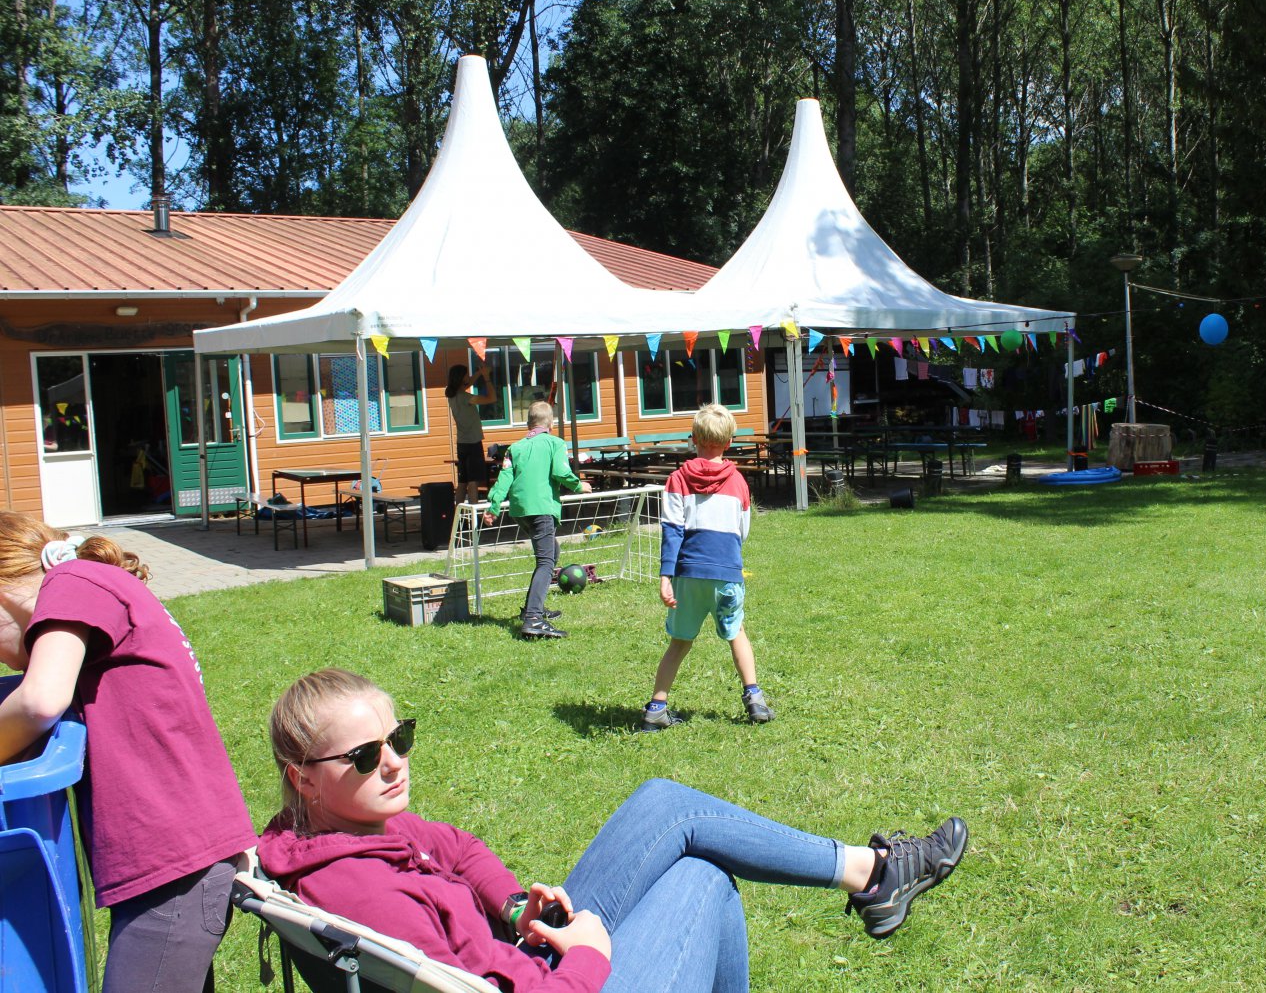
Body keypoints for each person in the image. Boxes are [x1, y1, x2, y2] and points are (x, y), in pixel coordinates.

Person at [260, 669, 968, 993]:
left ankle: (869, 875)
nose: (393, 763)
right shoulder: (363, 893)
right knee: (703, 881)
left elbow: (459, 848)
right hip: (550, 982)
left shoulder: (350, 829)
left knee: (668, 803)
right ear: (301, 776)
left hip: (522, 953)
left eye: (400, 738)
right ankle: (875, 877)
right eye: (363, 756)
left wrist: (511, 905)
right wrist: (588, 958)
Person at [0, 512, 255, 993]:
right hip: (174, 862)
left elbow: (38, 700)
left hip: (174, 867)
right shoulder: (90, 587)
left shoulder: (72, 580)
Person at [643, 403, 769, 730]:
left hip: (687, 574)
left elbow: (672, 530)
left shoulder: (677, 479)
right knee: (736, 633)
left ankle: (657, 707)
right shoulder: (739, 482)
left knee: (680, 642)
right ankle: (754, 699)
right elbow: (743, 531)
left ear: (694, 438)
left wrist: (665, 576)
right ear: (729, 442)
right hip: (726, 571)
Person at [484, 401, 587, 639]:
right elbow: (561, 473)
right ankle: (532, 619)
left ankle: (535, 608)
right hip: (541, 508)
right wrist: (579, 485)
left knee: (552, 550)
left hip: (521, 510)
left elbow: (504, 478)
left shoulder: (514, 448)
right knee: (545, 562)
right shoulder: (555, 443)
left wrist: (494, 505)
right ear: (551, 423)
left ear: (529, 423)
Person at [447, 362, 499, 505]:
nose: (468, 377)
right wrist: (486, 378)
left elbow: (467, 382)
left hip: (462, 443)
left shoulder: (452, 395)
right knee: (473, 482)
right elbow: (492, 398)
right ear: (461, 378)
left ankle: (458, 516)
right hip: (473, 443)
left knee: (462, 482)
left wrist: (480, 372)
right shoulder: (466, 398)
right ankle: (474, 518)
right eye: (466, 375)